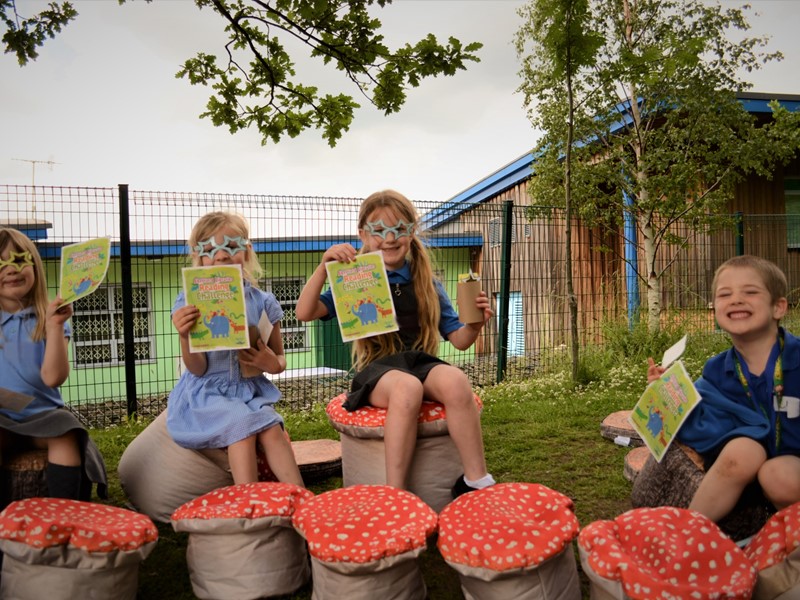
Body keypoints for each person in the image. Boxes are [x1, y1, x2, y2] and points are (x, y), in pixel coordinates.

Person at [296, 189, 495, 497]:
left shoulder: (426, 281)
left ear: (411, 230)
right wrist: (324, 267)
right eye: (379, 231)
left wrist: (475, 324)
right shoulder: (352, 278)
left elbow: (460, 341)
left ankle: (477, 481)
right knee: (407, 387)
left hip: (420, 363)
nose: (389, 238)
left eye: (398, 229)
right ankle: (396, 493)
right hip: (378, 372)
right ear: (363, 233)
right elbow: (304, 312)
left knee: (456, 380)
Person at [647, 255, 799, 524]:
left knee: (777, 475)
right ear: (714, 309)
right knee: (744, 451)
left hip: (790, 471)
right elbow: (703, 421)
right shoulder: (717, 371)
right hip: (750, 476)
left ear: (778, 307)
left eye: (750, 292)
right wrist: (666, 392)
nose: (736, 299)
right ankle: (690, 533)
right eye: (724, 294)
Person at [168, 211, 303, 487]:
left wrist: (271, 362)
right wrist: (185, 337)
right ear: (199, 258)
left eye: (230, 246)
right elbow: (197, 368)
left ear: (247, 251)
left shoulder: (264, 302)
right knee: (242, 426)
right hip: (207, 392)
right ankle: (248, 503)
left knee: (271, 428)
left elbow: (280, 361)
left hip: (249, 390)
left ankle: (302, 499)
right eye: (209, 250)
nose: (221, 256)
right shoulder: (188, 302)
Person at [0, 227, 107, 500]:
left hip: (44, 417)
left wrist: (55, 325)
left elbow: (53, 378)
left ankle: (65, 513)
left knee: (67, 433)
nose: (11, 269)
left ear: (34, 266)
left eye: (19, 260)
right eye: (1, 263)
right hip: (3, 418)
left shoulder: (50, 319)